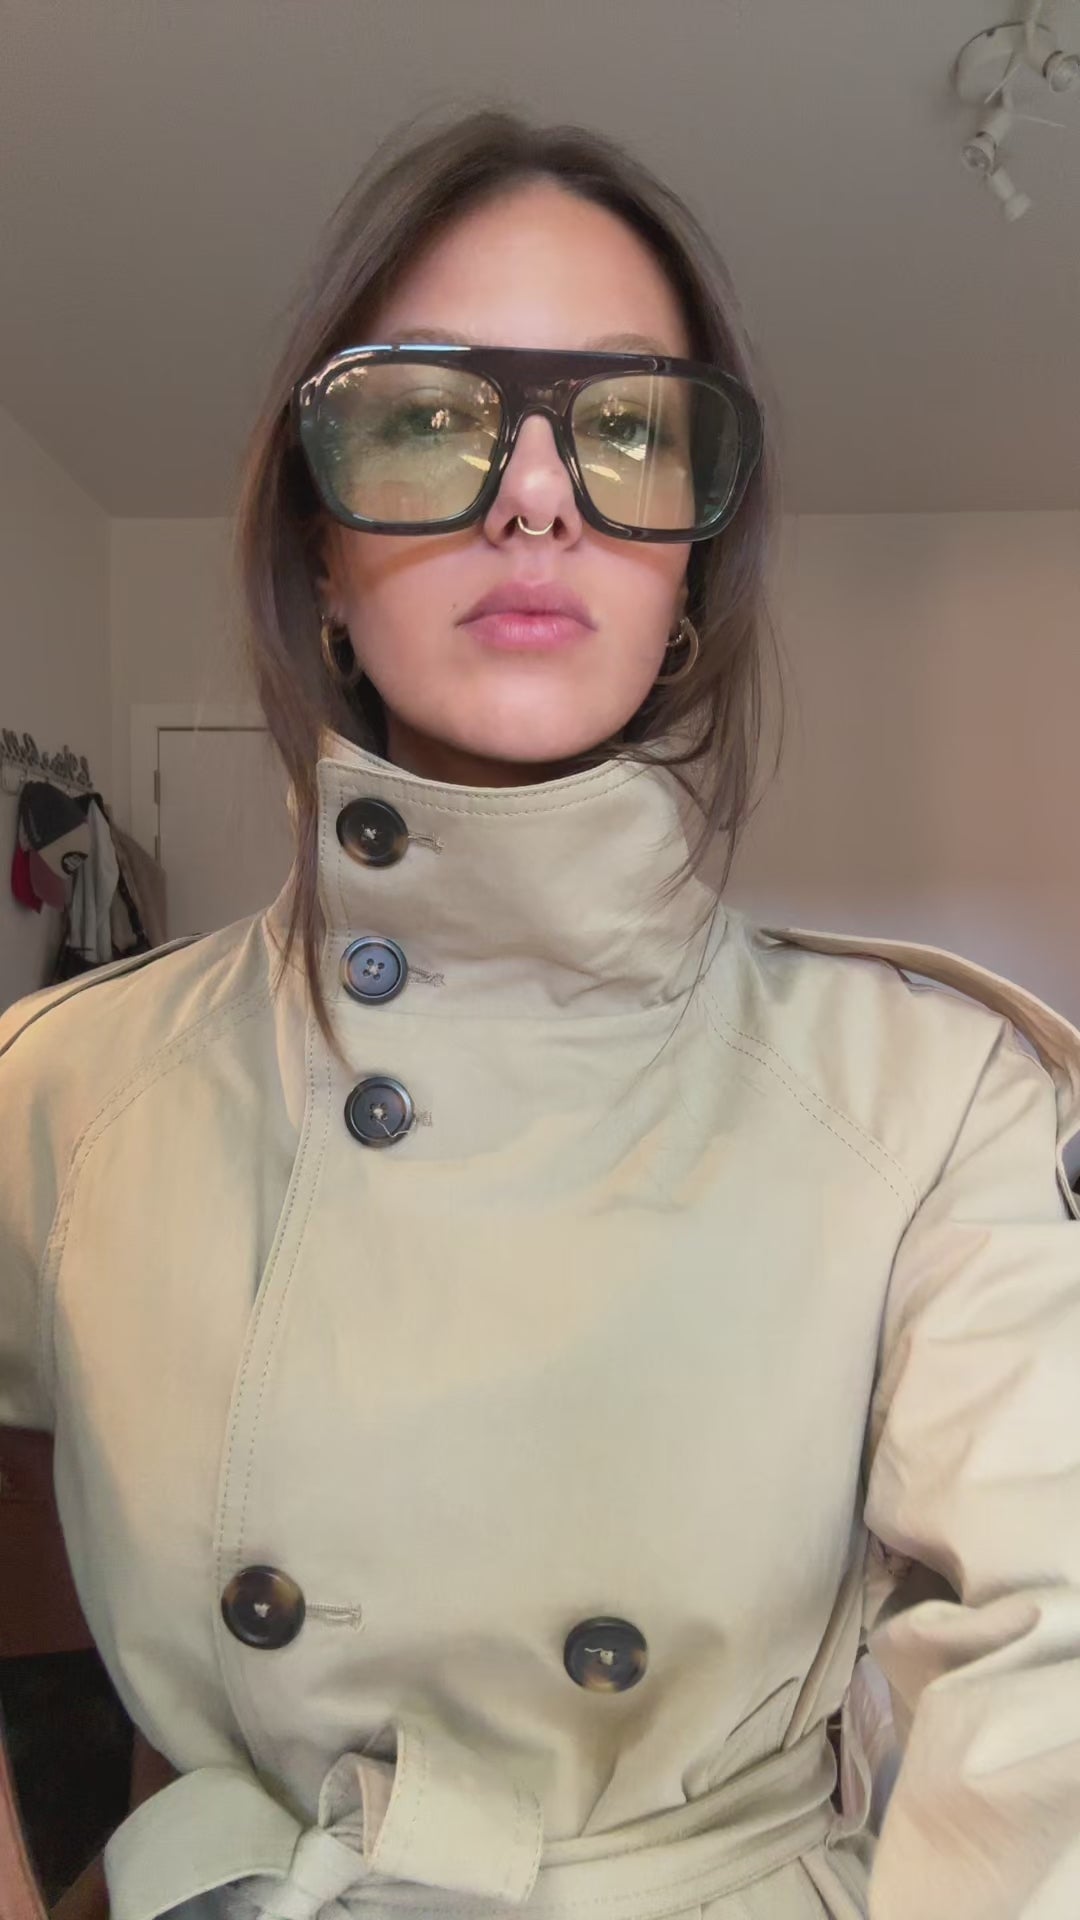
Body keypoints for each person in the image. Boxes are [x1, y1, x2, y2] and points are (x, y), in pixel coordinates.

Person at [2, 107, 1079, 1920]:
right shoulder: (73, 1090)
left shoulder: (936, 1098)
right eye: (425, 418)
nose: (534, 491)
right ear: (319, 553)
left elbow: (1052, 1675)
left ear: (688, 572)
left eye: (630, 427)